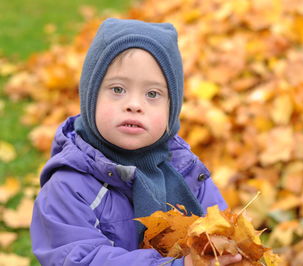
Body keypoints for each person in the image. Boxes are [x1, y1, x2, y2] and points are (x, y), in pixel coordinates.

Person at [30, 18, 242, 265]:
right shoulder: (68, 187)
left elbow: (219, 228)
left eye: (152, 94)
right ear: (90, 97)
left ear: (172, 109)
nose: (134, 104)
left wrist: (224, 251)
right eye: (117, 89)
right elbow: (82, 259)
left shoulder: (187, 171)